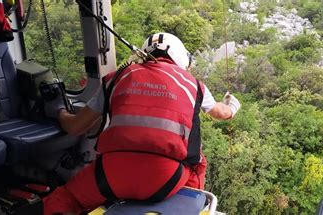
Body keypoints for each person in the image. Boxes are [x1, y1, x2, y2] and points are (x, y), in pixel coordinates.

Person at [42, 32, 241, 214]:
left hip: (111, 174)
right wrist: (232, 106)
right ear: (181, 58)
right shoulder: (194, 84)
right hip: (165, 177)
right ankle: (190, 204)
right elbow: (221, 112)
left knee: (64, 198)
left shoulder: (116, 78)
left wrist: (58, 110)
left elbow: (75, 127)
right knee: (197, 161)